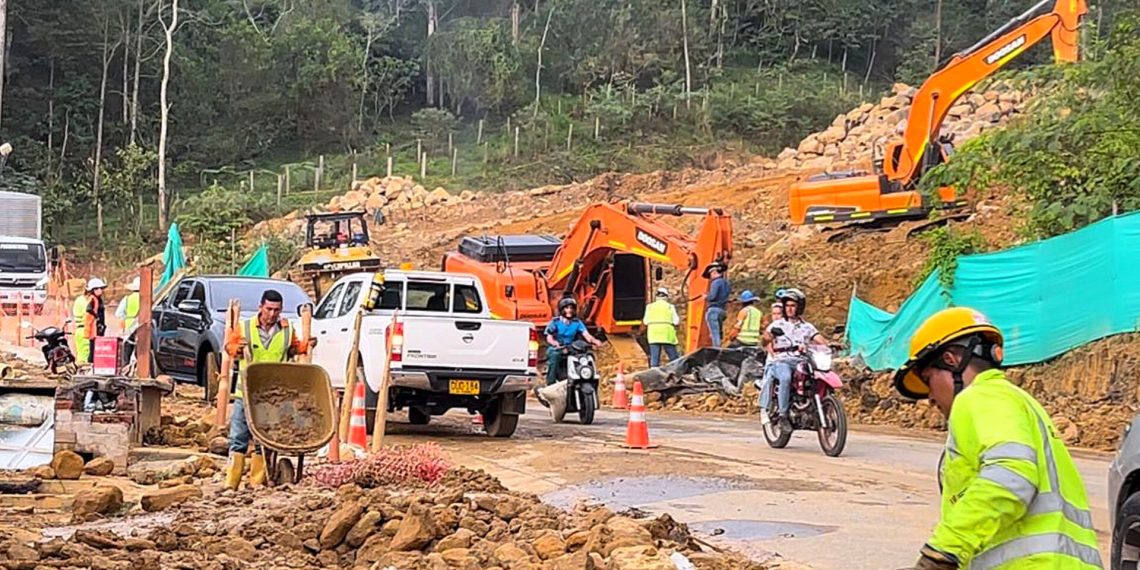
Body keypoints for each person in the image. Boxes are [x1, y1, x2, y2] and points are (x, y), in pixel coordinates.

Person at [894, 308, 1101, 570]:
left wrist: (943, 552)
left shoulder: (978, 397)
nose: (931, 398)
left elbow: (1010, 474)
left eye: (929, 381)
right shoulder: (1021, 402)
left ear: (951, 360)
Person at [222, 289, 317, 491]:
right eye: (269, 309)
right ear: (261, 308)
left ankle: (257, 481)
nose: (272, 314)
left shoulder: (286, 330)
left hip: (273, 397)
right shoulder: (245, 327)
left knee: (263, 439)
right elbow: (229, 348)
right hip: (246, 393)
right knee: (238, 438)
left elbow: (294, 348)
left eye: (277, 310)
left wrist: (306, 345)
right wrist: (237, 348)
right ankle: (231, 482)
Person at [759, 288, 827, 430]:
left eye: (793, 306)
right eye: (787, 306)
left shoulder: (807, 326)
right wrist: (768, 337)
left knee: (819, 375)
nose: (789, 309)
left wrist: (830, 345)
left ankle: (819, 405)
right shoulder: (777, 324)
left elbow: (819, 339)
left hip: (802, 360)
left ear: (799, 307)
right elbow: (765, 341)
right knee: (785, 378)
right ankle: (783, 415)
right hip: (782, 361)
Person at [543, 297, 603, 388]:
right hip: (557, 348)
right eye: (567, 308)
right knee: (555, 356)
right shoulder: (555, 322)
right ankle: (550, 383)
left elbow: (586, 335)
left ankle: (586, 378)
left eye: (571, 308)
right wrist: (555, 343)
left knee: (588, 356)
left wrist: (595, 341)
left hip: (572, 347)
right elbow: (549, 337)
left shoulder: (577, 323)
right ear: (562, 309)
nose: (569, 310)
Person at [642, 287, 680, 367]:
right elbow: (676, 321)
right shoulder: (670, 307)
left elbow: (645, 321)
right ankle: (677, 372)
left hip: (653, 335)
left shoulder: (650, 307)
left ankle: (653, 376)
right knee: (674, 358)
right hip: (667, 335)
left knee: (655, 359)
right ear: (666, 296)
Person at [703, 262, 730, 347]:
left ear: (714, 272)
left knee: (714, 333)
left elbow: (713, 296)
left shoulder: (716, 282)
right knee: (719, 332)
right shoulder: (726, 283)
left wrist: (706, 296)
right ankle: (719, 348)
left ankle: (716, 350)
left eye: (710, 274)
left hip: (714, 310)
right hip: (722, 310)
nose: (710, 277)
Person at [83, 278, 108, 364]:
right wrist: (96, 317)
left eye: (101, 288)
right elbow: (89, 309)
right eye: (98, 288)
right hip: (95, 326)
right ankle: (91, 363)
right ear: (93, 290)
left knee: (98, 345)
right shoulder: (93, 299)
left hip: (100, 325)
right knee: (93, 346)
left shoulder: (98, 299)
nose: (100, 290)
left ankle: (97, 363)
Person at [72, 288, 91, 364]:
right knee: (85, 355)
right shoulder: (84, 302)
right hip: (85, 330)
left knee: (80, 354)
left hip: (79, 330)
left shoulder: (79, 300)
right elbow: (88, 315)